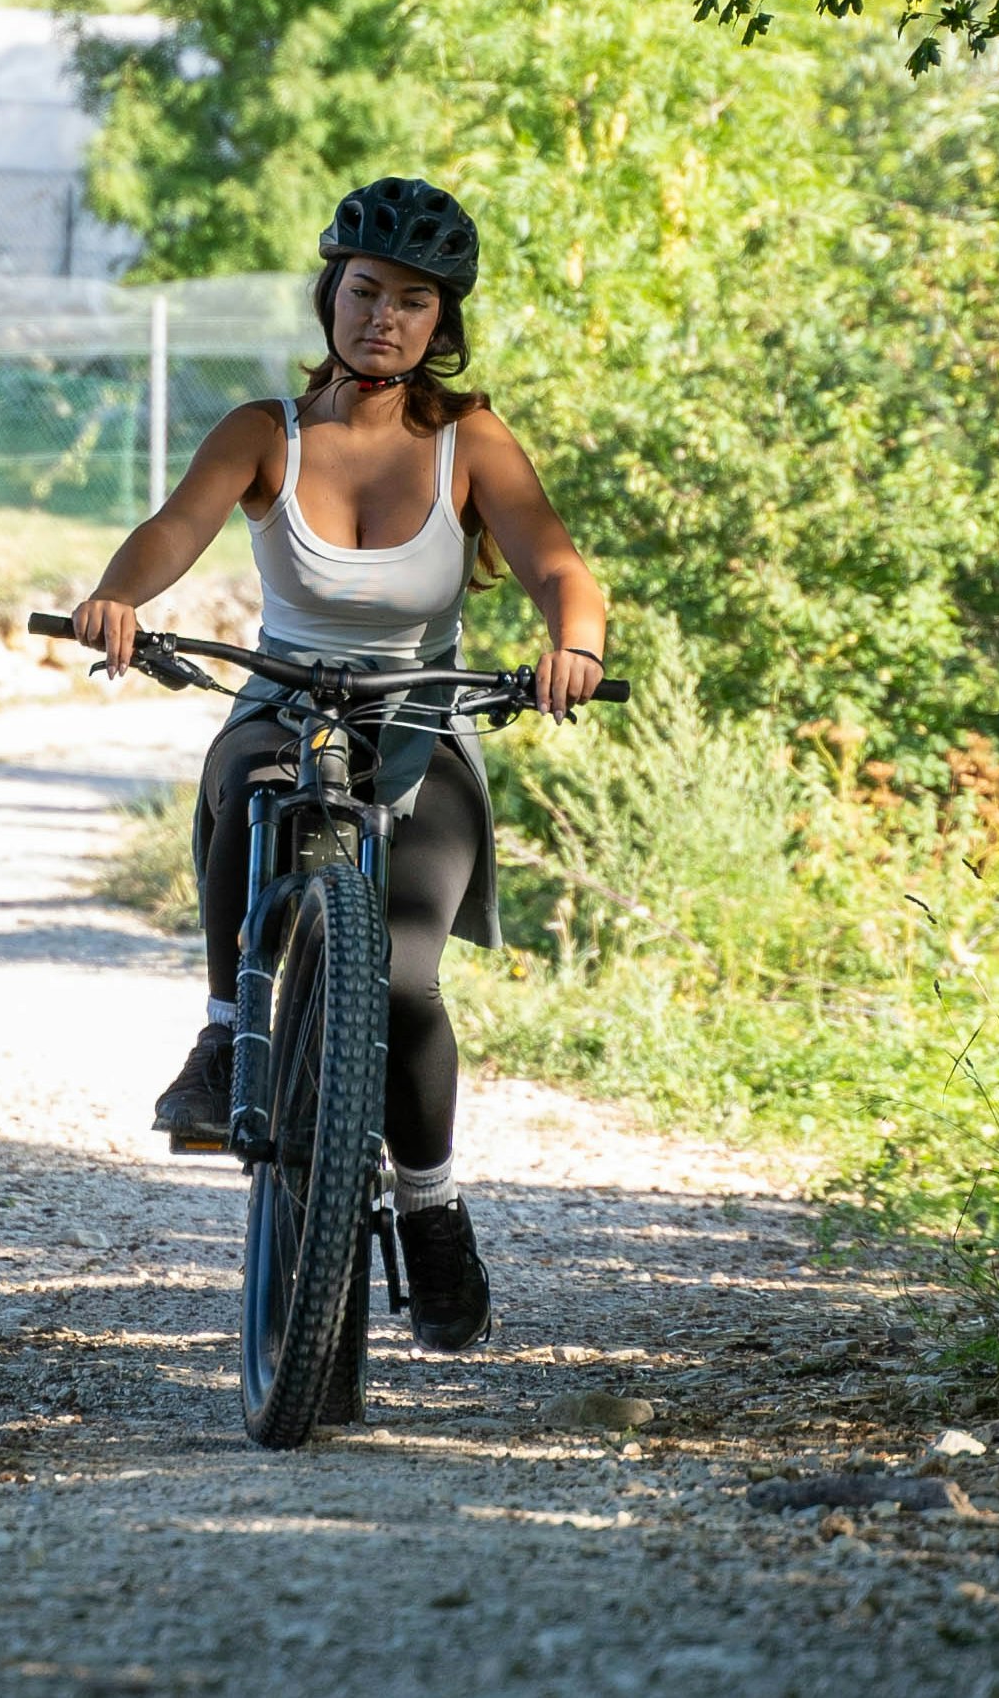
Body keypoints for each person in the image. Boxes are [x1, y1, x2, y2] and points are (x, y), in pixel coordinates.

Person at [66, 177, 607, 1352]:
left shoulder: (473, 442)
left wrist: (574, 645)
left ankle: (431, 1206)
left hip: (421, 717)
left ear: (439, 324)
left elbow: (557, 565)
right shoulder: (266, 431)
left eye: (413, 302)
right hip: (289, 697)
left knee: (404, 979)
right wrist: (118, 596)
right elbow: (174, 527)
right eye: (365, 292)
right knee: (241, 776)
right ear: (331, 295)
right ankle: (224, 1033)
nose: (384, 319)